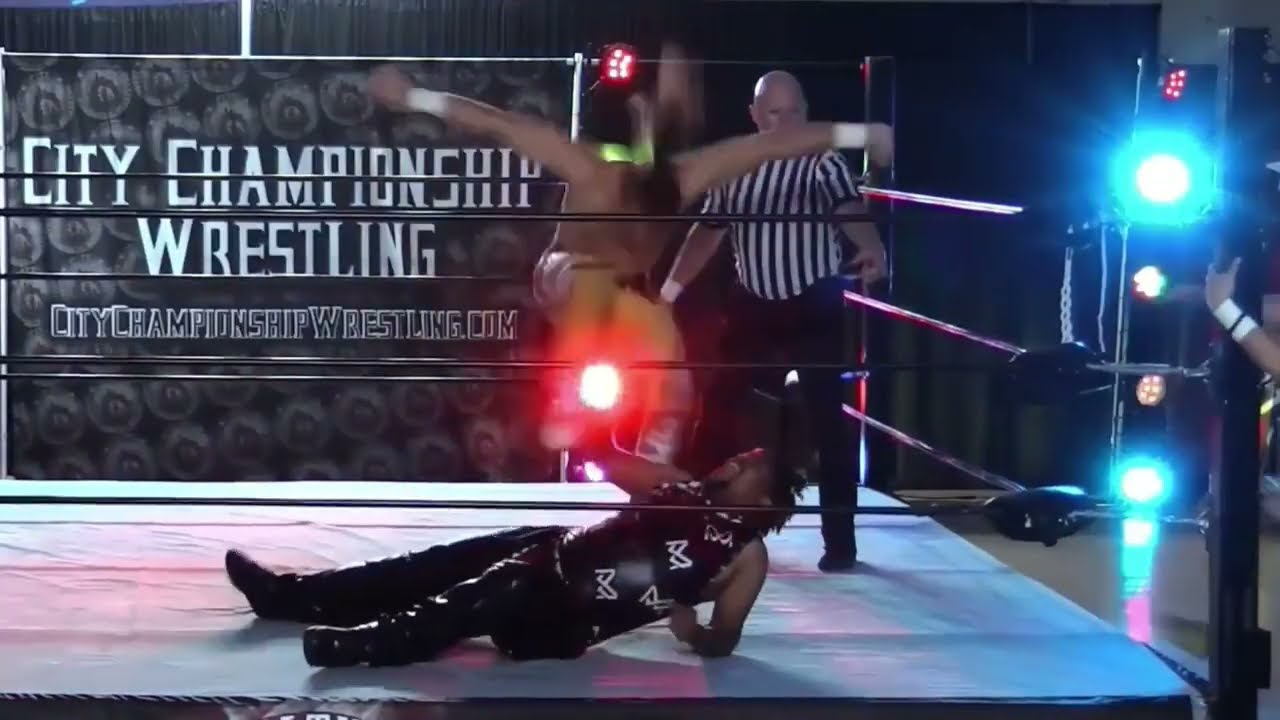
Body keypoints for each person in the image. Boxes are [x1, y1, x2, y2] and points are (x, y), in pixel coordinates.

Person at [367, 51, 893, 471]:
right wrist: (413, 96)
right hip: (565, 280)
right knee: (589, 281)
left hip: (624, 298)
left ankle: (654, 472)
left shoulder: (688, 174)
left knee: (674, 370)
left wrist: (863, 134)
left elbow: (775, 146)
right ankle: (568, 398)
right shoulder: (591, 169)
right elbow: (496, 123)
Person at [225, 446, 807, 666]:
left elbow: (725, 640)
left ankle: (368, 644)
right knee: (433, 565)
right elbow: (615, 462)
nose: (736, 459)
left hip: (564, 614)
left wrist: (693, 633)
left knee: (487, 592)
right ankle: (288, 595)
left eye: (750, 464)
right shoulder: (687, 485)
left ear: (765, 498)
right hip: (556, 548)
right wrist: (596, 437)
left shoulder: (746, 556)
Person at [659, 70, 889, 572]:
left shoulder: (821, 162)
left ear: (806, 114)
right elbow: (708, 229)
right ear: (755, 116)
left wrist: (872, 246)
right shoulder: (736, 169)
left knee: (828, 423)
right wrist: (670, 291)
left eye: (794, 112)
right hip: (753, 303)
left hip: (813, 302)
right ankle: (689, 527)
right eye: (774, 113)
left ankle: (841, 543)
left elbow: (848, 206)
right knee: (718, 412)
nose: (785, 124)